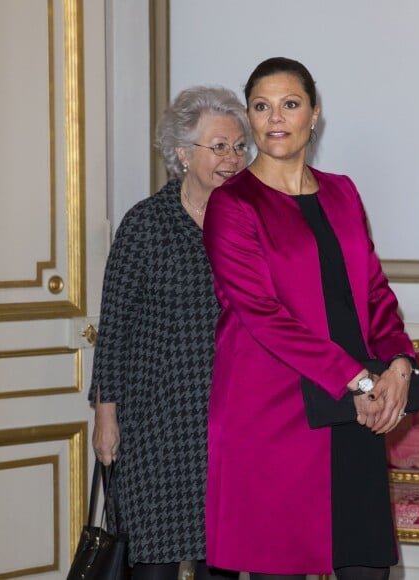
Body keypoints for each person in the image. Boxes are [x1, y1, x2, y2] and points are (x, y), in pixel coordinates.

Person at [202, 58, 419, 580]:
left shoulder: (342, 191)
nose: (275, 117)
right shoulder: (232, 205)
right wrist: (360, 379)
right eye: (261, 106)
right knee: (277, 568)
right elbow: (263, 315)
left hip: (358, 413)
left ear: (314, 115)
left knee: (365, 566)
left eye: (290, 104)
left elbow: (374, 291)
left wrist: (398, 365)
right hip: (274, 415)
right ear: (250, 118)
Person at [89, 86, 250, 580]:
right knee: (153, 565)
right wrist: (106, 416)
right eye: (218, 146)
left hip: (228, 421)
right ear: (182, 153)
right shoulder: (145, 224)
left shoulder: (247, 223)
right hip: (153, 424)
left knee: (219, 561)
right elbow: (113, 328)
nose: (233, 159)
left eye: (240, 147)